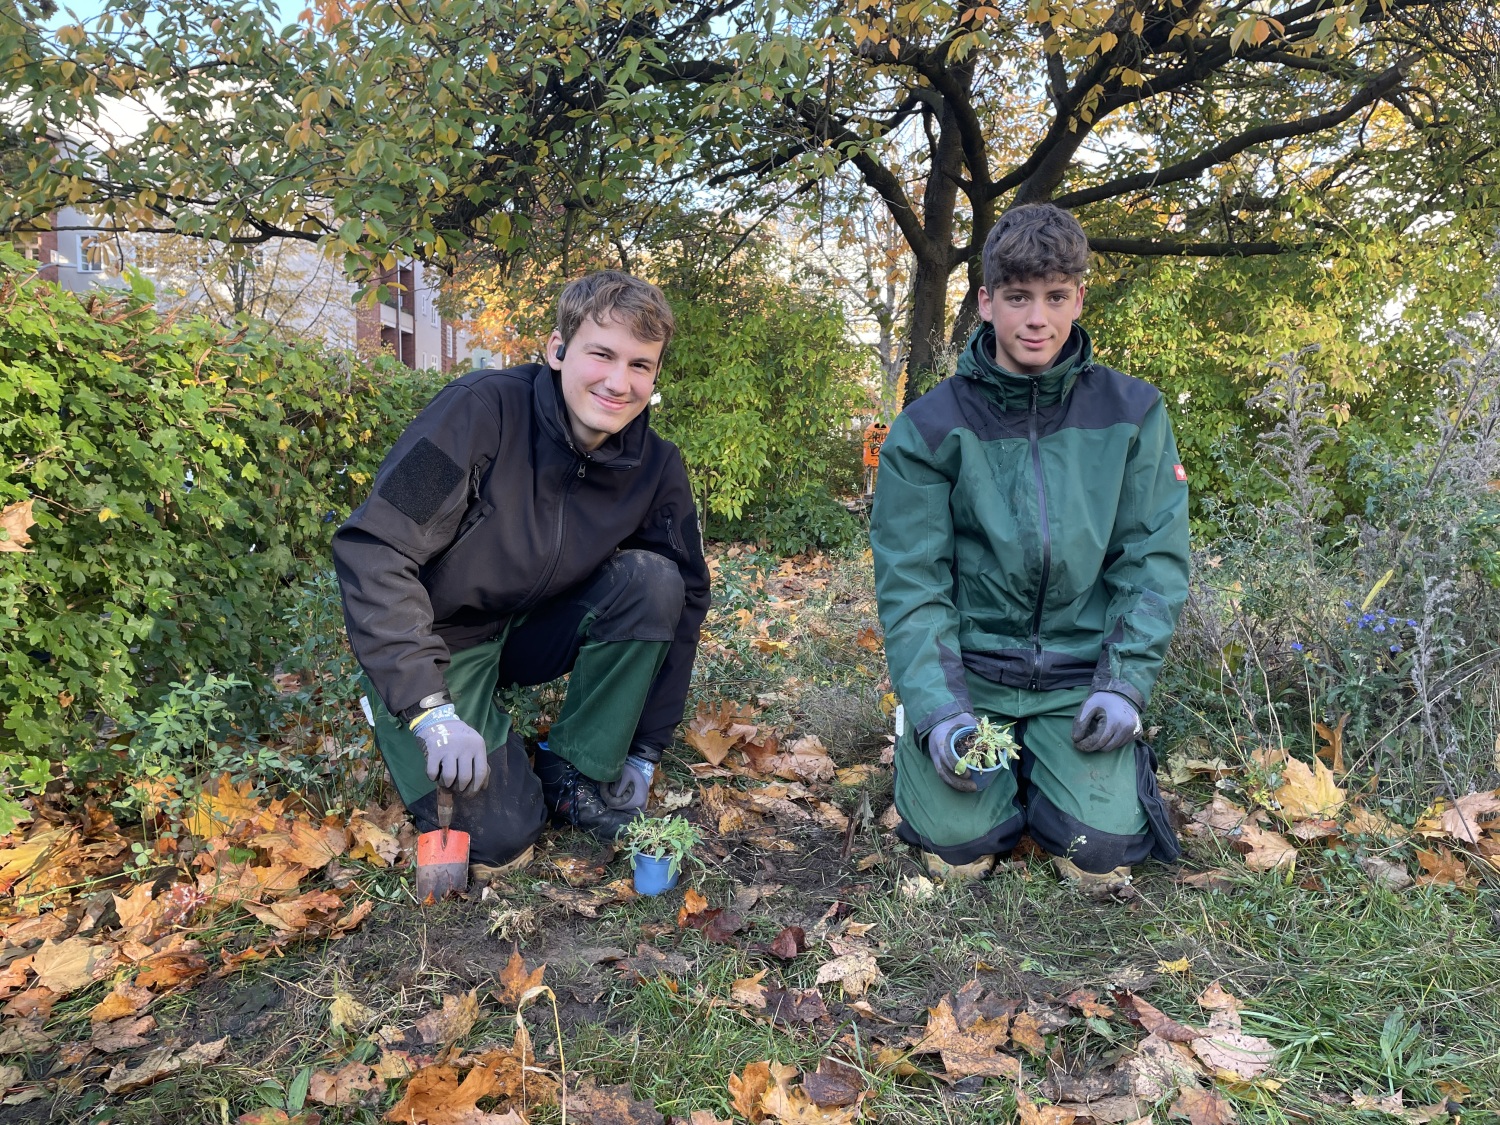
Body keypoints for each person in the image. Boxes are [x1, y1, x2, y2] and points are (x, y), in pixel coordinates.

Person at [333, 271, 711, 864]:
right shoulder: (478, 412)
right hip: (445, 636)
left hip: (536, 626)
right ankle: (397, 702)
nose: (619, 382)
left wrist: (644, 750)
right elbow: (374, 548)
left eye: (640, 365)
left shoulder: (655, 466)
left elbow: (684, 603)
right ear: (557, 351)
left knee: (655, 580)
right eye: (602, 355)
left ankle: (572, 769)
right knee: (504, 833)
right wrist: (429, 711)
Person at [870, 203, 1190, 892]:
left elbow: (1153, 562)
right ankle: (937, 756)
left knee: (1098, 855)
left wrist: (1125, 686)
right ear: (986, 301)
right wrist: (940, 712)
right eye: (1017, 297)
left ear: (1078, 296)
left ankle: (1068, 775)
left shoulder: (1134, 413)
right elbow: (913, 585)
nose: (1036, 318)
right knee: (958, 852)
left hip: (1077, 683)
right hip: (973, 678)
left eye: (1054, 296)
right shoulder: (929, 428)